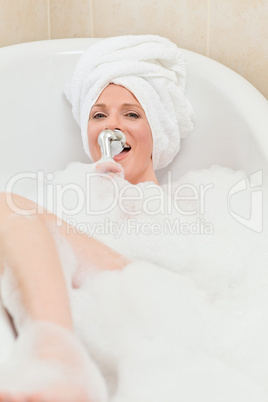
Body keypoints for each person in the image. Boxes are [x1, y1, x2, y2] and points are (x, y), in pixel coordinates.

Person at [0, 35, 194, 401]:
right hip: (103, 312)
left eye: (132, 114)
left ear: (159, 130)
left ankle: (60, 362)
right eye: (99, 115)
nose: (111, 126)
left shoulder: (183, 204)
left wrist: (129, 200)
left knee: (6, 206)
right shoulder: (65, 192)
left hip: (156, 303)